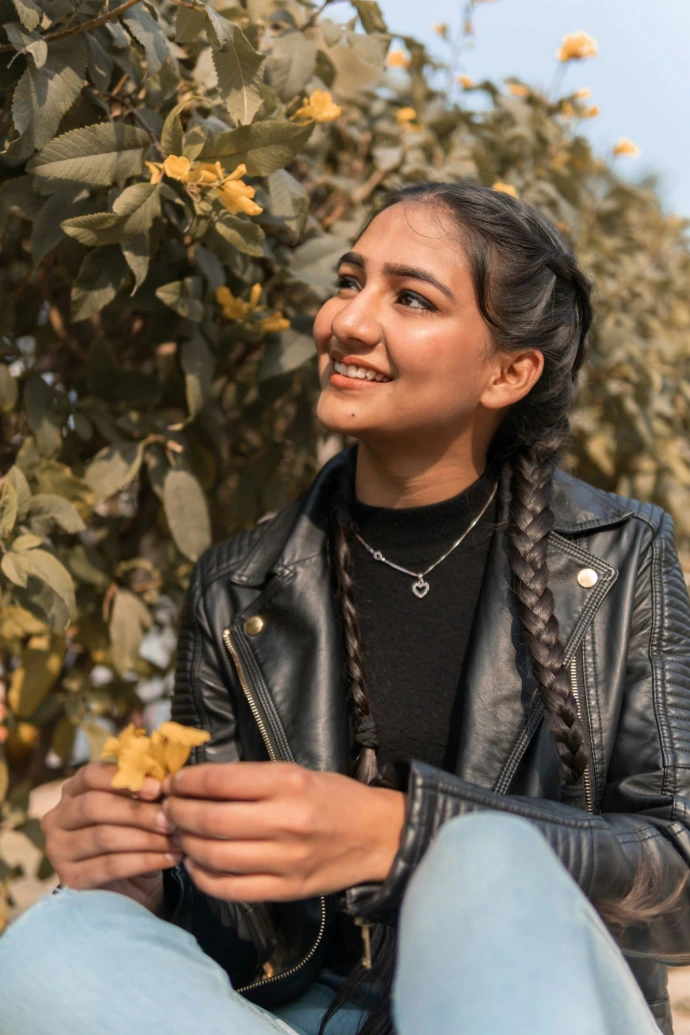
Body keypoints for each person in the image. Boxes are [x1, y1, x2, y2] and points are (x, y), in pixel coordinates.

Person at [2, 182, 690, 1035]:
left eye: (410, 298)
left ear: (508, 372)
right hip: (306, 1015)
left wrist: (406, 834)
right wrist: (149, 873)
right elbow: (241, 930)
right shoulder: (237, 584)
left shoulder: (619, 557)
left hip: (528, 1001)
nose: (348, 322)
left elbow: (675, 871)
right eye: (348, 281)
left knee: (487, 858)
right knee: (61, 939)